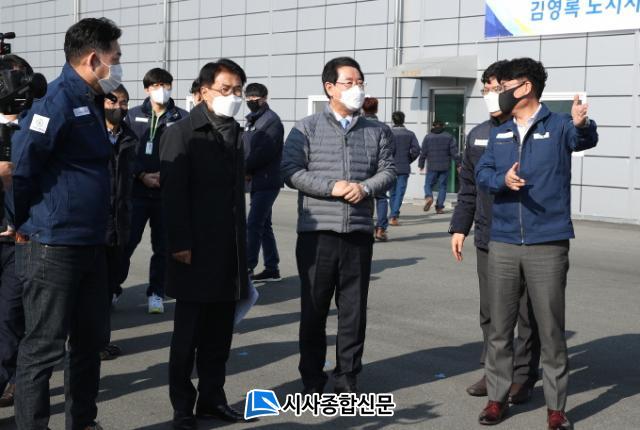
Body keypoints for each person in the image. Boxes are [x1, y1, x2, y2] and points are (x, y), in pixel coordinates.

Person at [10, 17, 122, 430]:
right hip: (53, 244)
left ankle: (83, 421)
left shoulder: (91, 101)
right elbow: (22, 169)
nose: (118, 65)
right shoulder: (54, 102)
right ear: (93, 59)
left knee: (89, 343)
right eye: (115, 58)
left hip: (91, 242)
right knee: (43, 347)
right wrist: (23, 221)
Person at [475, 58, 598, 429]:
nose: (497, 94)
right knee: (500, 328)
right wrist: (501, 180)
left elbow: (583, 139)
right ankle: (497, 399)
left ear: (525, 87)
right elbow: (482, 173)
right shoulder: (499, 132)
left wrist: (582, 123)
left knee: (550, 329)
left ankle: (556, 409)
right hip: (503, 241)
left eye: (503, 87)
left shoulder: (559, 125)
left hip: (548, 241)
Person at [281, 57, 395, 395]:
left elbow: (389, 170)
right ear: (330, 88)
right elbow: (290, 170)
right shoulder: (306, 128)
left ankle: (347, 375)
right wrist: (332, 187)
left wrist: (366, 188)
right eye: (349, 82)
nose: (356, 88)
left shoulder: (377, 130)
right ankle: (311, 377)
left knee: (353, 311)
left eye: (360, 82)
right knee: (314, 310)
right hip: (317, 233)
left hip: (358, 232)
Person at [160, 59, 251, 429]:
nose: (234, 96)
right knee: (188, 336)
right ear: (202, 92)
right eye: (225, 89)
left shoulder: (236, 132)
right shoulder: (181, 132)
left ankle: (212, 398)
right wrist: (179, 242)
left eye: (238, 90)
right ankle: (183, 407)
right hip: (193, 250)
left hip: (229, 249)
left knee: (219, 335)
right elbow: (172, 193)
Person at [448, 60, 540, 403]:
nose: (489, 94)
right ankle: (494, 372)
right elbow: (468, 188)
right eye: (485, 89)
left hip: (526, 236)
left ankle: (523, 375)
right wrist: (460, 227)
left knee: (526, 312)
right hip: (489, 237)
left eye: (496, 88)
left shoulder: (529, 130)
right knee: (491, 311)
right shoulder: (477, 135)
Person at [122, 67, 188, 314]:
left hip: (166, 194)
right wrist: (141, 175)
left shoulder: (182, 117)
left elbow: (186, 153)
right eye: (156, 85)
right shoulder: (132, 115)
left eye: (166, 85)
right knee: (126, 243)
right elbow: (125, 151)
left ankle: (157, 293)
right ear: (147, 89)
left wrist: (166, 175)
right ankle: (114, 287)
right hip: (137, 192)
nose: (161, 89)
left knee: (163, 247)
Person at [0, 54, 33, 410]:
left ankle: (8, 380)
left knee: (10, 317)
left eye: (21, 76)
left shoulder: (37, 125)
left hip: (20, 241)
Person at [101, 84, 137, 360]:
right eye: (113, 101)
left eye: (124, 102)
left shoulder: (129, 136)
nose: (119, 107)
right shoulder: (88, 133)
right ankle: (80, 343)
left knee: (108, 287)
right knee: (86, 290)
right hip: (92, 224)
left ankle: (100, 342)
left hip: (119, 223)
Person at [243, 82, 284, 283]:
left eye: (255, 98)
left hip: (267, 179)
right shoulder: (251, 120)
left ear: (265, 98)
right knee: (264, 224)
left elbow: (263, 152)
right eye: (248, 97)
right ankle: (272, 267)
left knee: (253, 224)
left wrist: (245, 168)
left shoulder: (271, 121)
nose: (252, 101)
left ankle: (247, 267)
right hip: (256, 179)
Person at [361, 97, 394, 242]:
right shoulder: (384, 128)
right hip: (380, 168)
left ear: (362, 108)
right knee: (381, 198)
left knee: (362, 197)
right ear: (376, 109)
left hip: (361, 168)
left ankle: (364, 228)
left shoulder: (357, 126)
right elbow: (391, 149)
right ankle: (380, 228)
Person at [418, 119, 459, 214]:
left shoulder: (428, 137)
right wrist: (458, 164)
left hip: (432, 166)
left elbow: (423, 152)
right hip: (445, 166)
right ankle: (439, 208)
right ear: (443, 126)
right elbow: (454, 152)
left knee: (428, 184)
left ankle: (429, 196)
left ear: (433, 126)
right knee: (442, 187)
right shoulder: (449, 137)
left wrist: (421, 164)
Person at [388, 111, 420, 226]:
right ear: (403, 120)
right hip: (403, 166)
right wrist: (409, 159)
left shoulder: (388, 133)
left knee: (392, 192)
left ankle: (393, 214)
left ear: (393, 120)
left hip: (390, 167)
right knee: (400, 192)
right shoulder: (410, 134)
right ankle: (394, 215)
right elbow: (416, 150)